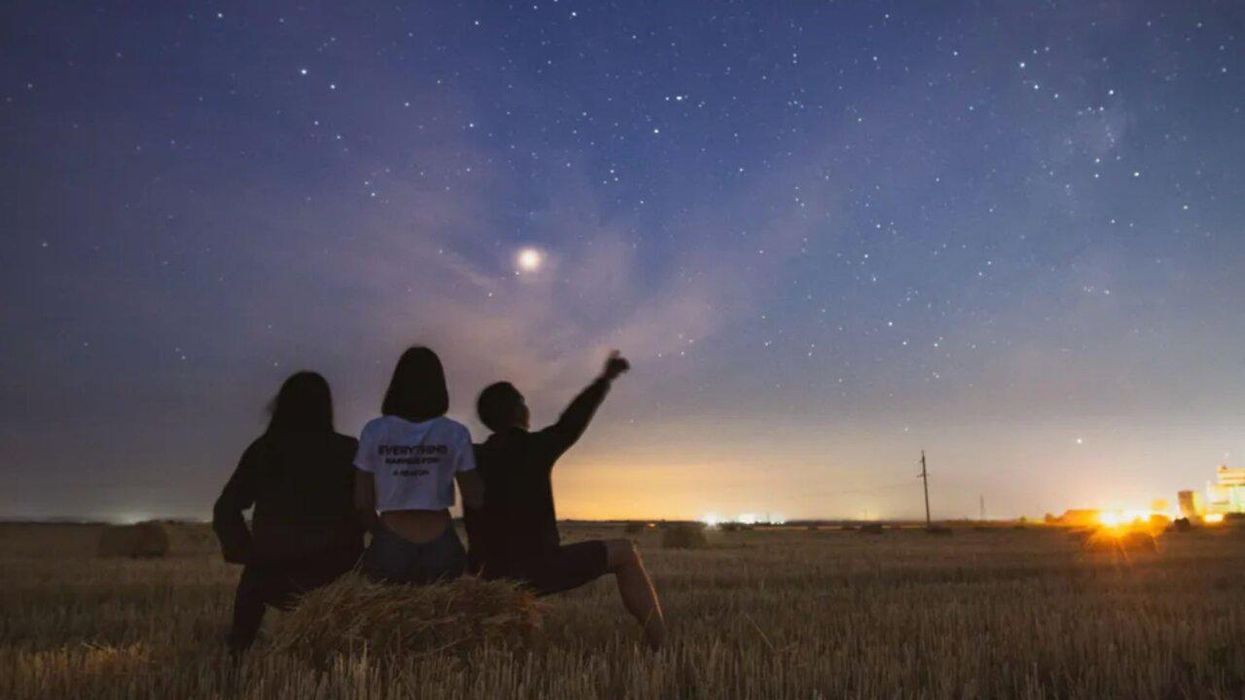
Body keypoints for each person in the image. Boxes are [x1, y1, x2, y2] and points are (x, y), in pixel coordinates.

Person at [468, 351, 666, 649]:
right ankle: (661, 645)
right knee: (625, 552)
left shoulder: (473, 455)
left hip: (488, 573)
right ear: (520, 411)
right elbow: (572, 421)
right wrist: (604, 380)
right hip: (539, 569)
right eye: (523, 402)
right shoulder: (535, 447)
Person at [213, 372, 364, 653]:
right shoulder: (348, 449)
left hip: (275, 571)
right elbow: (365, 508)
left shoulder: (263, 450)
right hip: (337, 571)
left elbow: (225, 509)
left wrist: (246, 553)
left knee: (252, 585)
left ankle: (238, 648)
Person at [354, 346, 484, 584]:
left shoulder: (374, 431)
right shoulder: (455, 433)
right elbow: (475, 497)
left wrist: (382, 534)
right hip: (441, 542)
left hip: (390, 541)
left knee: (388, 619)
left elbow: (362, 501)